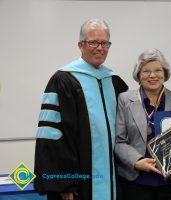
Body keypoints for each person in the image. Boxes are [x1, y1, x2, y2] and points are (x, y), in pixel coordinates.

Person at [34, 19, 128, 200]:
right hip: (77, 184)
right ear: (80, 45)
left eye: (104, 43)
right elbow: (52, 136)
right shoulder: (62, 81)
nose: (99, 47)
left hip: (113, 181)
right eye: (93, 42)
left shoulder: (115, 82)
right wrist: (63, 182)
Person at [114, 49, 171, 200]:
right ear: (138, 75)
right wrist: (137, 161)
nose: (152, 75)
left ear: (165, 74)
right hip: (136, 180)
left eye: (158, 70)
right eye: (146, 71)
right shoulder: (124, 99)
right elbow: (119, 141)